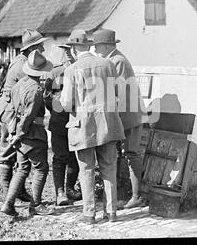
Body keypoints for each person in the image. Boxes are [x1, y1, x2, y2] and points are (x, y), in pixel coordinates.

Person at [59, 29, 125, 224]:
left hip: (83, 126)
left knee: (86, 170)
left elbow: (65, 104)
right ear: (87, 46)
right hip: (108, 123)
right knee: (109, 168)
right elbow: (116, 92)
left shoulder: (72, 70)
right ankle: (111, 212)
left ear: (74, 48)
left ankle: (89, 214)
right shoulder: (108, 64)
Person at [0, 28, 49, 202]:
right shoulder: (24, 66)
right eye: (40, 46)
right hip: (13, 115)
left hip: (10, 111)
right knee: (9, 153)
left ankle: (14, 194)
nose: (43, 50)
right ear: (32, 49)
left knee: (16, 156)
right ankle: (9, 194)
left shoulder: (19, 60)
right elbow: (31, 92)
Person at [93, 28, 145, 209]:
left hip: (129, 115)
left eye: (97, 47)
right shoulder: (111, 60)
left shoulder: (118, 61)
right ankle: (123, 194)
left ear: (107, 46)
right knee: (121, 155)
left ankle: (138, 196)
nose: (95, 51)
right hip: (122, 115)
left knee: (131, 154)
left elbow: (119, 91)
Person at [0, 49, 54, 216]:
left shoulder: (19, 84)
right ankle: (36, 205)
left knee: (22, 169)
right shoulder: (36, 89)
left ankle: (8, 204)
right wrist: (20, 134)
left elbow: (12, 109)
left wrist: (14, 133)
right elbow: (28, 116)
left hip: (19, 133)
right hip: (32, 134)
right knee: (41, 168)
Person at [44, 44, 81, 206]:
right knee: (60, 157)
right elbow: (46, 96)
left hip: (76, 121)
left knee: (74, 157)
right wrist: (56, 108)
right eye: (66, 53)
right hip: (59, 122)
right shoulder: (56, 72)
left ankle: (70, 188)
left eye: (71, 52)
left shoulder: (81, 70)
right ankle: (60, 192)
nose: (68, 56)